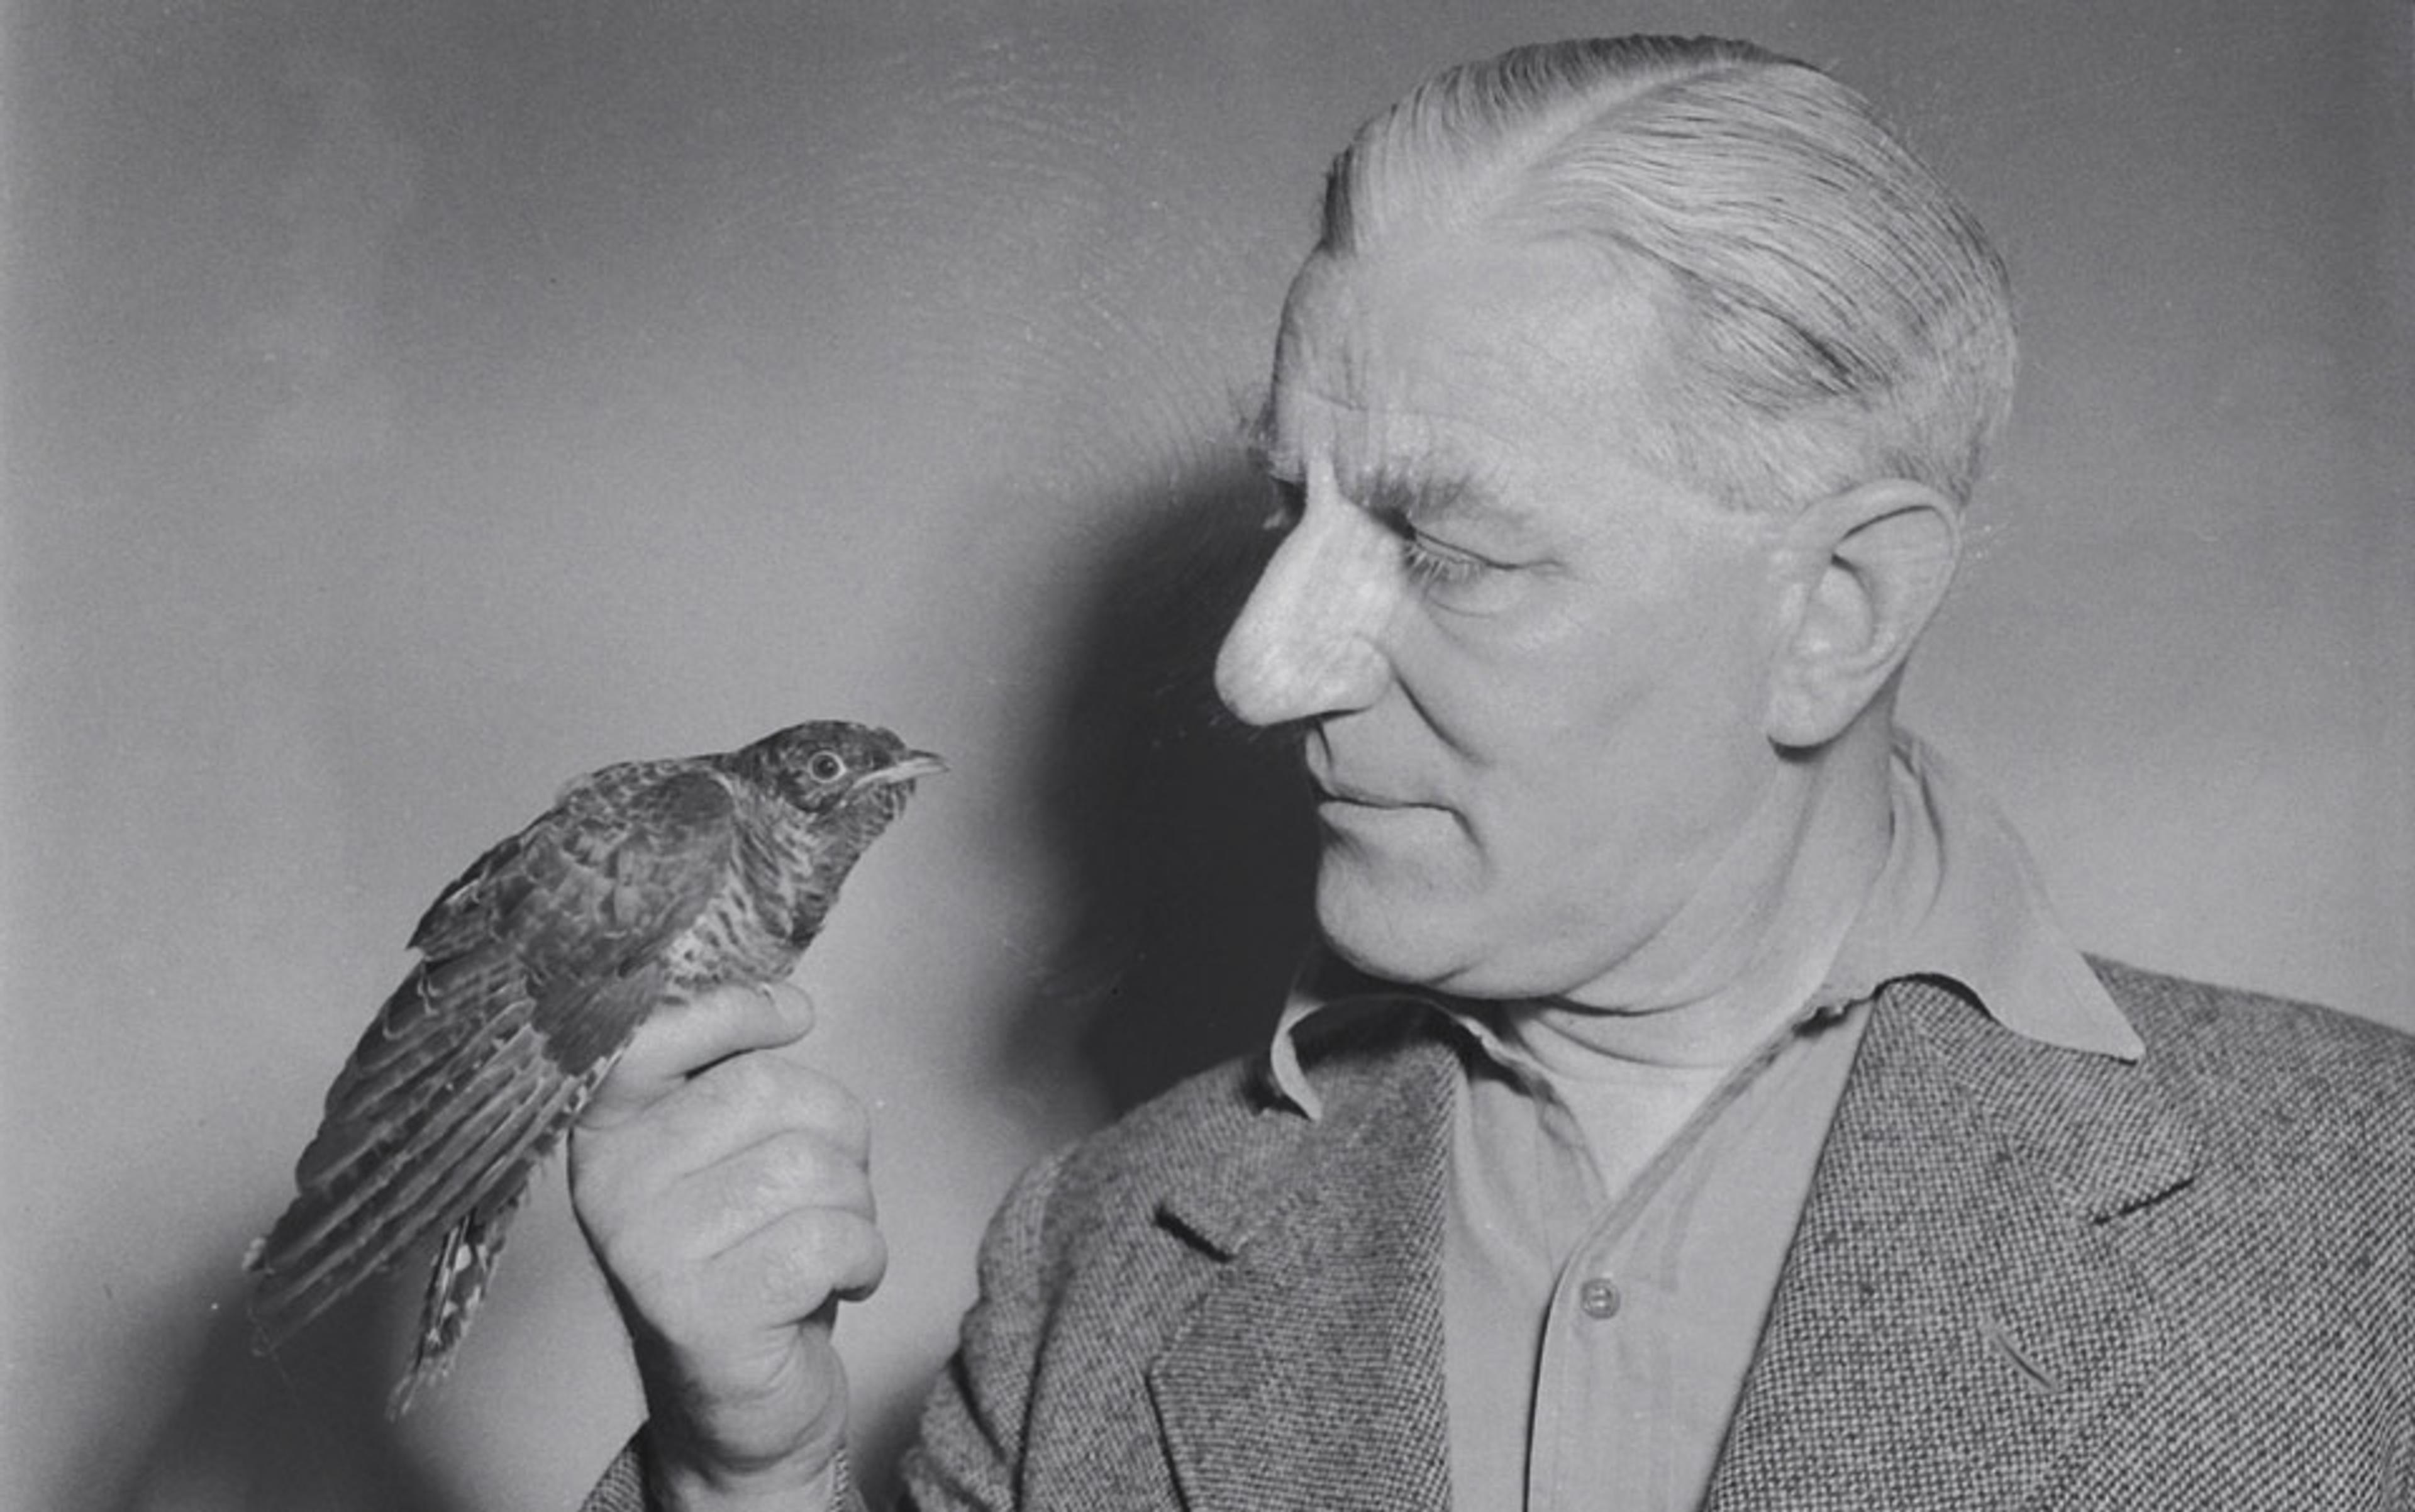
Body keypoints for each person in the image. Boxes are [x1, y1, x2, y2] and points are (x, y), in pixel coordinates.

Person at [574, 36, 2415, 1512]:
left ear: (1838, 608)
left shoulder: (2370, 1212)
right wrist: (754, 1474)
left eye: (1448, 551)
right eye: (1292, 511)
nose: (1256, 667)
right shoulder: (1097, 1262)